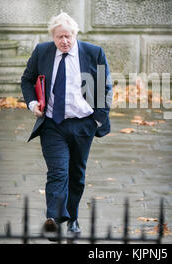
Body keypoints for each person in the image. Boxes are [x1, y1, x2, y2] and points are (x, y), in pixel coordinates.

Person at [21, 12, 112, 238]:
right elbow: (27, 79)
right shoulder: (42, 52)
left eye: (68, 36)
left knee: (76, 174)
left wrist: (97, 120)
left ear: (75, 34)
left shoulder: (93, 53)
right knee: (58, 171)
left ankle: (72, 218)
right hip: (53, 124)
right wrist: (32, 104)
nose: (64, 41)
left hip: (83, 124)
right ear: (52, 37)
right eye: (59, 37)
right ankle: (52, 218)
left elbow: (105, 89)